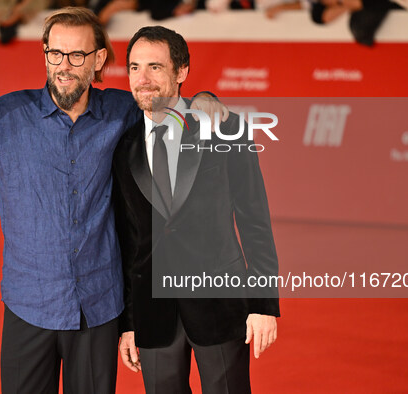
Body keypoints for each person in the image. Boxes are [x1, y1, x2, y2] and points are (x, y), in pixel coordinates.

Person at [0, 6, 222, 393]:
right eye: (55, 54)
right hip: (30, 304)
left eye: (77, 55)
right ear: (45, 54)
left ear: (98, 60)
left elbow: (168, 107)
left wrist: (203, 100)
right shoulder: (8, 118)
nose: (64, 65)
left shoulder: (121, 112)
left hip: (98, 307)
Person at [113, 26, 280, 394]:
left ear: (182, 72)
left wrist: (264, 304)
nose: (143, 79)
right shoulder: (123, 148)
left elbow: (255, 219)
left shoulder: (225, 129)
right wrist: (127, 322)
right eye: (135, 67)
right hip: (153, 314)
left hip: (219, 301)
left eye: (156, 67)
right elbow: (128, 240)